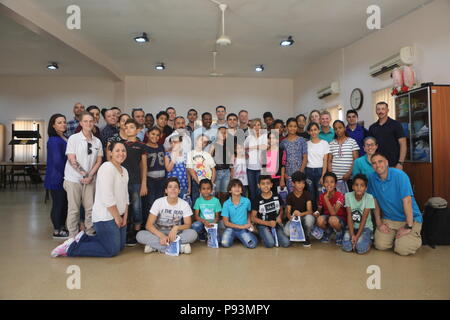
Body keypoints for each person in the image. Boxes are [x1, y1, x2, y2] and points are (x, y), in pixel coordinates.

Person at [51, 141, 129, 258]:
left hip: (119, 214)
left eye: (123, 150)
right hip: (106, 217)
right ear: (110, 153)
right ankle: (70, 248)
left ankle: (83, 238)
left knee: (120, 246)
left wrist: (125, 216)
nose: (121, 153)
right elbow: (107, 197)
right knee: (112, 250)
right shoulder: (107, 167)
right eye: (117, 150)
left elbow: (125, 195)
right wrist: (117, 217)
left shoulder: (124, 170)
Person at [368, 153, 422, 256]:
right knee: (380, 245)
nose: (378, 165)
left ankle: (413, 235)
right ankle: (396, 237)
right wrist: (379, 223)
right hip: (389, 219)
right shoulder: (372, 178)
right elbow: (374, 201)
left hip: (410, 218)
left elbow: (407, 201)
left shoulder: (400, 175)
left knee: (402, 250)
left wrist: (409, 226)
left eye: (380, 161)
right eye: (374, 163)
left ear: (387, 162)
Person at [63, 112, 103, 238]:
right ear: (81, 123)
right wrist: (84, 174)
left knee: (90, 208)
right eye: (85, 121)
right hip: (73, 179)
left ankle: (90, 231)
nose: (88, 123)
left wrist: (90, 175)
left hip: (90, 179)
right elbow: (71, 159)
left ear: (94, 122)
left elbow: (98, 160)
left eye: (91, 121)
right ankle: (73, 235)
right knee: (74, 209)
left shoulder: (97, 141)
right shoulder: (73, 138)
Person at [136, 177, 198, 254]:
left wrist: (176, 227)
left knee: (193, 234)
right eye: (170, 187)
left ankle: (155, 247)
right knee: (140, 235)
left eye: (176, 187)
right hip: (158, 233)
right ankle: (180, 248)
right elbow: (148, 225)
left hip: (176, 233)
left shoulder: (184, 204)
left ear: (179, 191)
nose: (173, 189)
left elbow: (188, 225)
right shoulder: (158, 202)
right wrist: (162, 236)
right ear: (166, 190)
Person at [122, 119, 148, 246]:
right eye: (126, 127)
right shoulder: (121, 145)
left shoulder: (141, 146)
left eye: (131, 127)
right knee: (125, 206)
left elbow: (144, 166)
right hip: (122, 183)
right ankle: (126, 231)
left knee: (137, 207)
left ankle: (136, 232)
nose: (128, 129)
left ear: (138, 130)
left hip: (136, 182)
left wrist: (144, 183)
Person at [45, 114, 69, 239]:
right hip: (57, 177)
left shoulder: (64, 137)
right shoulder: (54, 140)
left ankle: (62, 227)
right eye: (59, 122)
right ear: (53, 125)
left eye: (64, 122)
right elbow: (57, 161)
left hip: (63, 176)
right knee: (58, 204)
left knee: (64, 203)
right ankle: (57, 230)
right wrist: (67, 175)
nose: (63, 124)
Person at [251, 175, 290, 248]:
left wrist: (279, 216)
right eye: (263, 184)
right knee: (270, 244)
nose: (265, 186)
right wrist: (267, 223)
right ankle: (259, 234)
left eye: (268, 183)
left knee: (286, 243)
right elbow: (253, 218)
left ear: (271, 185)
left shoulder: (277, 196)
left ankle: (271, 235)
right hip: (263, 224)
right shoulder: (257, 199)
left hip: (275, 224)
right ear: (259, 185)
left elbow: (281, 209)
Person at [342, 174, 375, 254]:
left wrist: (357, 237)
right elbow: (349, 216)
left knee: (360, 249)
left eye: (362, 185)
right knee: (347, 247)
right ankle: (356, 239)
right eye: (356, 185)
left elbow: (364, 218)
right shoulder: (348, 196)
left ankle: (369, 240)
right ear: (352, 187)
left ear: (366, 188)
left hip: (365, 227)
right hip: (352, 227)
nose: (359, 187)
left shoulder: (369, 197)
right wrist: (352, 234)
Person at [221, 179, 258, 249]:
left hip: (243, 228)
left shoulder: (246, 201)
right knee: (224, 243)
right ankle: (237, 236)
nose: (237, 188)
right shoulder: (226, 204)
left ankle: (240, 236)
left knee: (252, 245)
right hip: (231, 228)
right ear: (230, 190)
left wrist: (249, 223)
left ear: (242, 190)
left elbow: (248, 213)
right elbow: (226, 223)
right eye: (234, 186)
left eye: (239, 187)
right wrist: (241, 227)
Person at [369, 102, 407, 169]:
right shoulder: (372, 127)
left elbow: (403, 144)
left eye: (383, 109)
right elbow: (370, 147)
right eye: (378, 109)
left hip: (394, 164)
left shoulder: (396, 125)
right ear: (376, 111)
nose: (380, 111)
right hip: (377, 165)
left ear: (387, 110)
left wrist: (400, 163)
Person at [283, 171, 315, 247]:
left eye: (303, 183)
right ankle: (299, 234)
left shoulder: (307, 194)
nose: (301, 185)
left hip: (305, 217)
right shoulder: (289, 196)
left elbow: (310, 211)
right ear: (293, 183)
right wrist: (290, 217)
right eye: (299, 183)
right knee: (287, 232)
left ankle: (306, 236)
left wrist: (300, 214)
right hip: (295, 219)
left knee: (309, 219)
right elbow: (288, 212)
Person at [328, 120, 359, 194]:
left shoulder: (352, 142)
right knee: (337, 201)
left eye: (340, 127)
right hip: (335, 180)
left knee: (349, 201)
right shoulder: (331, 143)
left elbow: (356, 160)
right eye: (335, 129)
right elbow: (329, 161)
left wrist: (349, 173)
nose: (338, 130)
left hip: (349, 178)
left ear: (344, 128)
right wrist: (332, 176)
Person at [316, 172, 346, 245]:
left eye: (332, 182)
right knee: (319, 220)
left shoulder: (340, 195)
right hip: (328, 217)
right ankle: (328, 232)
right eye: (326, 182)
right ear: (323, 184)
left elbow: (333, 213)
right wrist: (316, 214)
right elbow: (319, 210)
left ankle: (339, 233)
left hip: (339, 219)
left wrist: (326, 198)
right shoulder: (321, 196)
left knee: (332, 219)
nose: (329, 184)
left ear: (335, 184)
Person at [144, 126, 166, 225]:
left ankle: (158, 223)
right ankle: (150, 224)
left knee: (160, 202)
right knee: (151, 202)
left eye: (157, 135)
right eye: (153, 134)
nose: (155, 137)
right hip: (150, 180)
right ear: (147, 134)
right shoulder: (144, 147)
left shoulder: (161, 147)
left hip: (162, 179)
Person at [305, 122, 330, 210]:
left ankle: (320, 213)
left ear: (319, 130)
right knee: (310, 193)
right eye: (311, 130)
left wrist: (323, 175)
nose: (313, 132)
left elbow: (325, 160)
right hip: (308, 171)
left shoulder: (324, 143)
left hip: (320, 171)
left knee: (320, 193)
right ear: (308, 132)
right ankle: (312, 212)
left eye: (315, 129)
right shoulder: (306, 144)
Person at [187, 134, 216, 206]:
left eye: (205, 142)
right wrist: (199, 182)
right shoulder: (190, 154)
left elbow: (213, 170)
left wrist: (211, 183)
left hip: (208, 182)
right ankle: (196, 216)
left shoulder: (207, 155)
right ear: (197, 140)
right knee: (196, 202)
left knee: (207, 203)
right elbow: (190, 169)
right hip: (197, 183)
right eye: (201, 140)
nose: (203, 143)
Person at [280, 118, 307, 193]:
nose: (293, 128)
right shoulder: (283, 142)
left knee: (301, 196)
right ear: (287, 127)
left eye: (295, 126)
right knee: (291, 196)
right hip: (288, 175)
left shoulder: (302, 140)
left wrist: (300, 172)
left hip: (300, 173)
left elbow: (305, 158)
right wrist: (284, 174)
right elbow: (282, 161)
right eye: (290, 126)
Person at [245, 118, 268, 204]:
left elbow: (264, 146)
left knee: (260, 189)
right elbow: (243, 149)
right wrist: (245, 152)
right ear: (251, 127)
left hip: (260, 168)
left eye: (258, 125)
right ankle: (253, 207)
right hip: (250, 167)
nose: (257, 127)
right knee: (252, 189)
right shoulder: (249, 138)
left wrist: (251, 148)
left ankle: (260, 206)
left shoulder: (264, 136)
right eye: (254, 125)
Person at [210, 126, 233, 204]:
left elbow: (230, 158)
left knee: (225, 192)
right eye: (221, 133)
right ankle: (216, 208)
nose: (223, 134)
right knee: (216, 192)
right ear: (217, 134)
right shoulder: (214, 145)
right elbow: (209, 157)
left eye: (225, 133)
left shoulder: (228, 145)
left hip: (227, 171)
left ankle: (223, 208)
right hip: (217, 171)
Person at [165, 133, 190, 200]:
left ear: (180, 142)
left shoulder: (185, 155)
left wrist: (189, 186)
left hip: (183, 184)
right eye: (171, 142)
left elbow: (188, 172)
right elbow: (168, 169)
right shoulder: (167, 154)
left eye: (175, 142)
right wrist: (174, 156)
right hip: (171, 185)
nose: (173, 144)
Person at [262, 131, 286, 195]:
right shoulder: (264, 151)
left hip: (277, 179)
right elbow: (263, 167)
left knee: (278, 197)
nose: (271, 140)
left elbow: (283, 166)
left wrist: (282, 179)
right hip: (267, 179)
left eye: (273, 138)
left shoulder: (281, 151)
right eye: (269, 138)